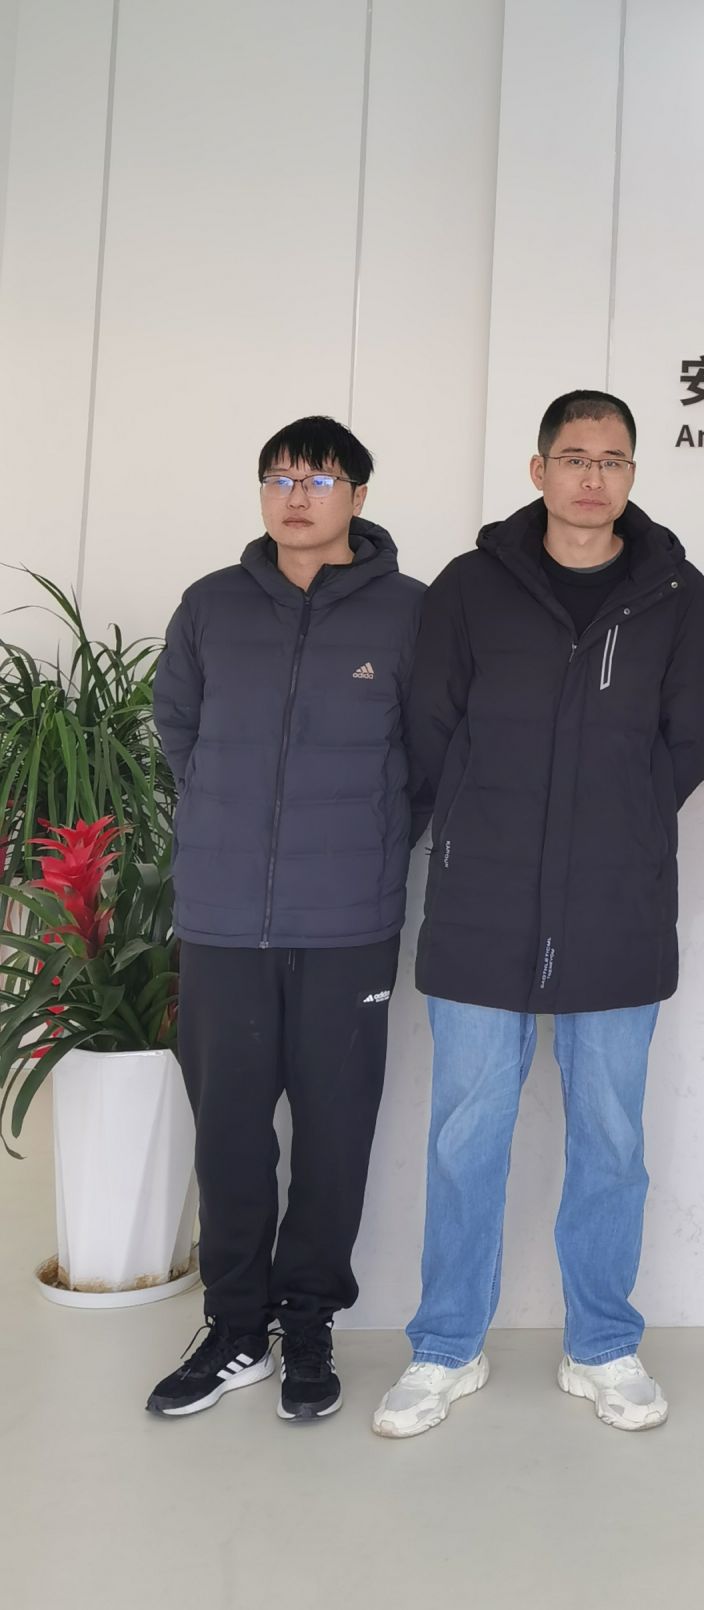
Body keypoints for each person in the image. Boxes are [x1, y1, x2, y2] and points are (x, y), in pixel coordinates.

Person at [371, 390, 704, 1439]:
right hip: (482, 901)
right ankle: (445, 1346)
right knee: (464, 1136)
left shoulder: (676, 593)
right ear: (538, 470)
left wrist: (615, 826)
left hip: (616, 903)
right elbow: (432, 727)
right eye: (574, 457)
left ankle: (603, 1343)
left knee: (612, 1139)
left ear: (632, 473)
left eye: (612, 459)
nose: (592, 477)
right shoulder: (470, 587)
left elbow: (687, 742)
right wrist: (484, 827)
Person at [146, 415, 421, 1424]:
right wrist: (227, 819)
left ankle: (307, 1320)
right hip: (222, 919)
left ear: (358, 495)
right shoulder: (211, 606)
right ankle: (233, 1329)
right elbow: (179, 727)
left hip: (348, 919)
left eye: (319, 478)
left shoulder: (412, 614)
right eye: (279, 478)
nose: (296, 496)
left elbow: (431, 756)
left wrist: (367, 835)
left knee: (336, 1132)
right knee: (228, 1133)